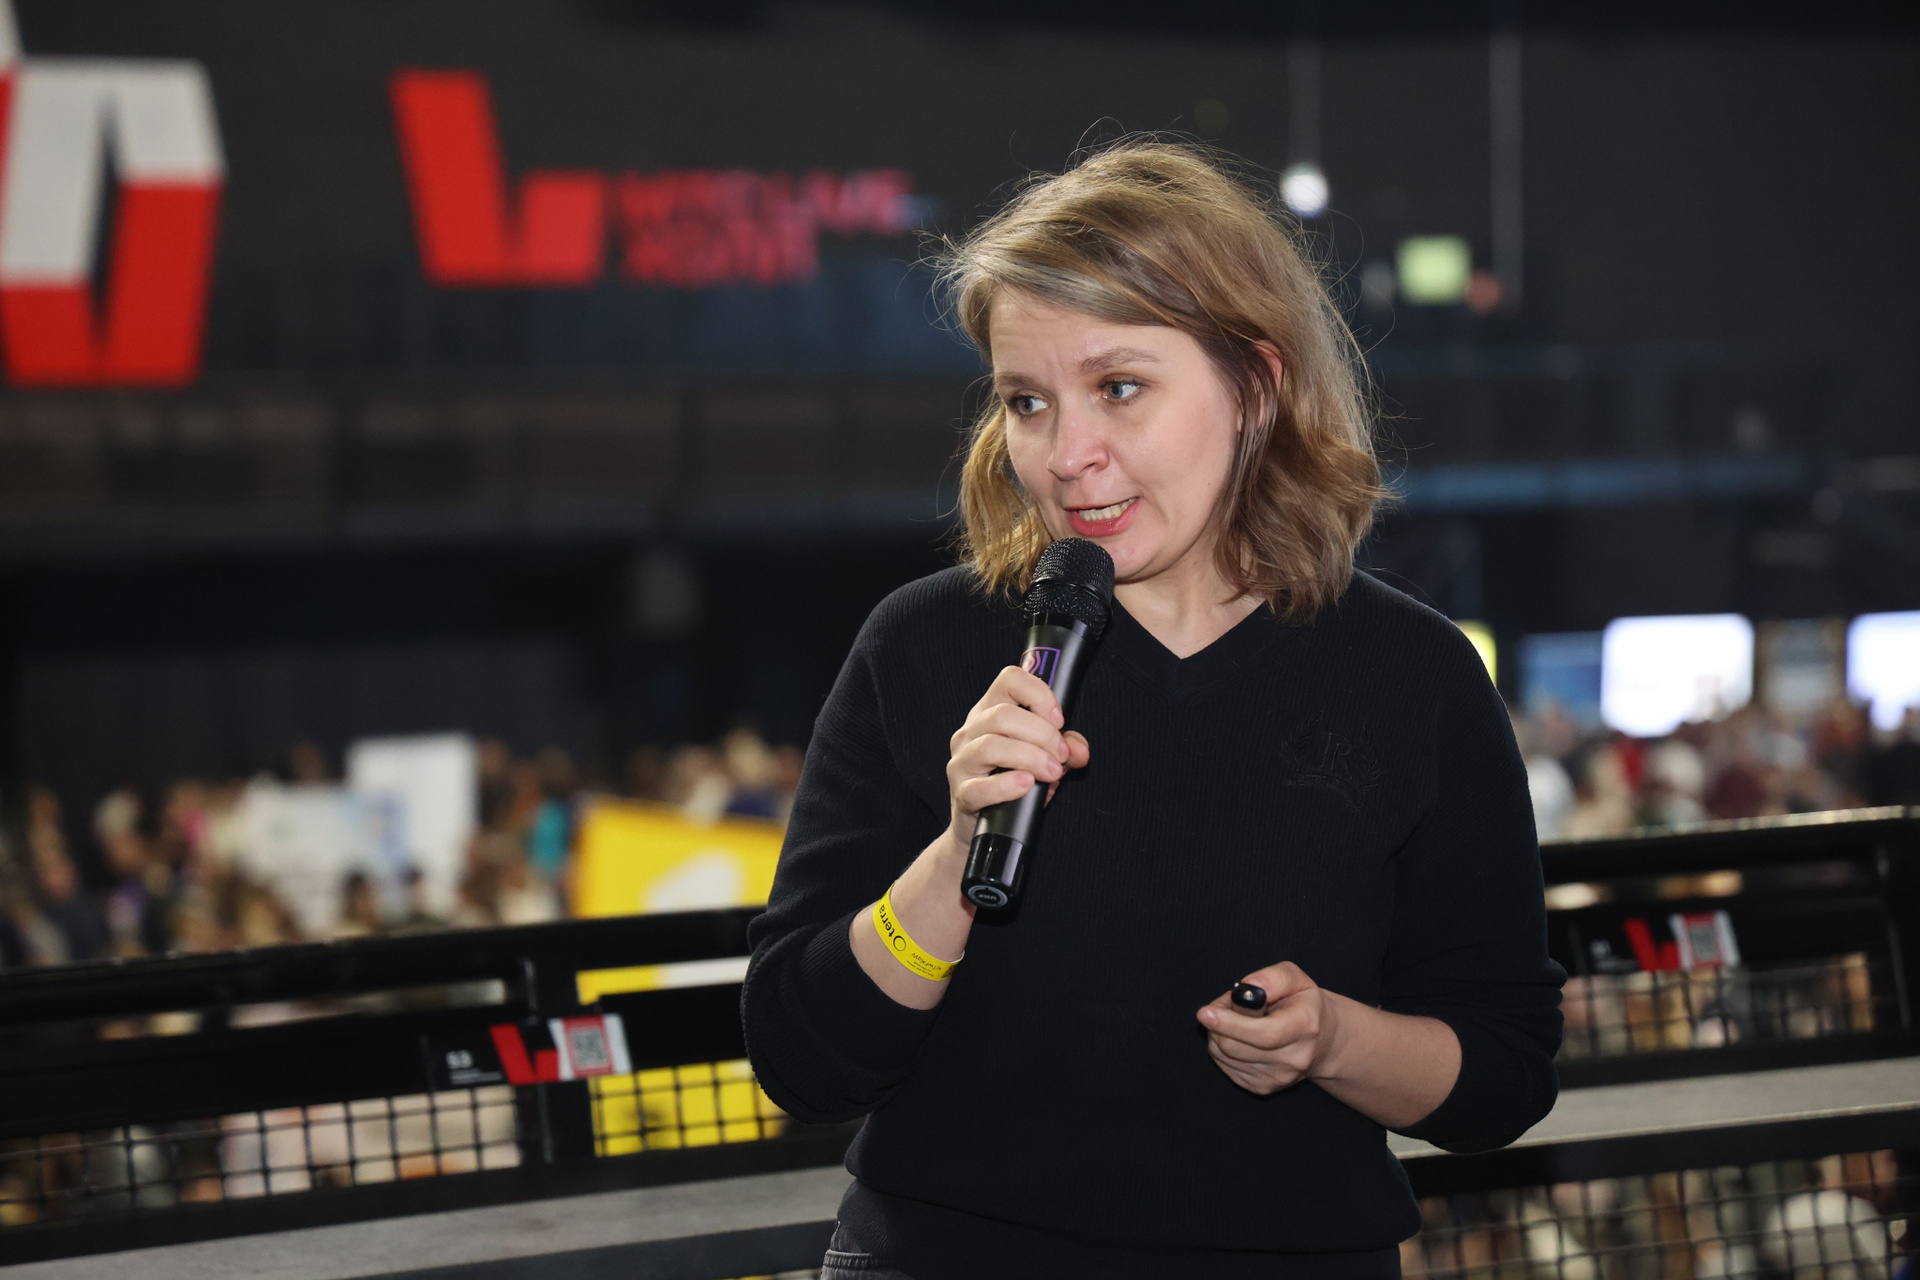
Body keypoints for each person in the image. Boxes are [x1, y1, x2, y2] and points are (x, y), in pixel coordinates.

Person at [743, 142, 1564, 1280]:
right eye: (1027, 402)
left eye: (1119, 388)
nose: (1068, 456)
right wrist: (951, 862)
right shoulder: (925, 647)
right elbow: (803, 1060)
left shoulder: (1411, 676)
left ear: (1256, 384)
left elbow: (1504, 1074)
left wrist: (1333, 1039)